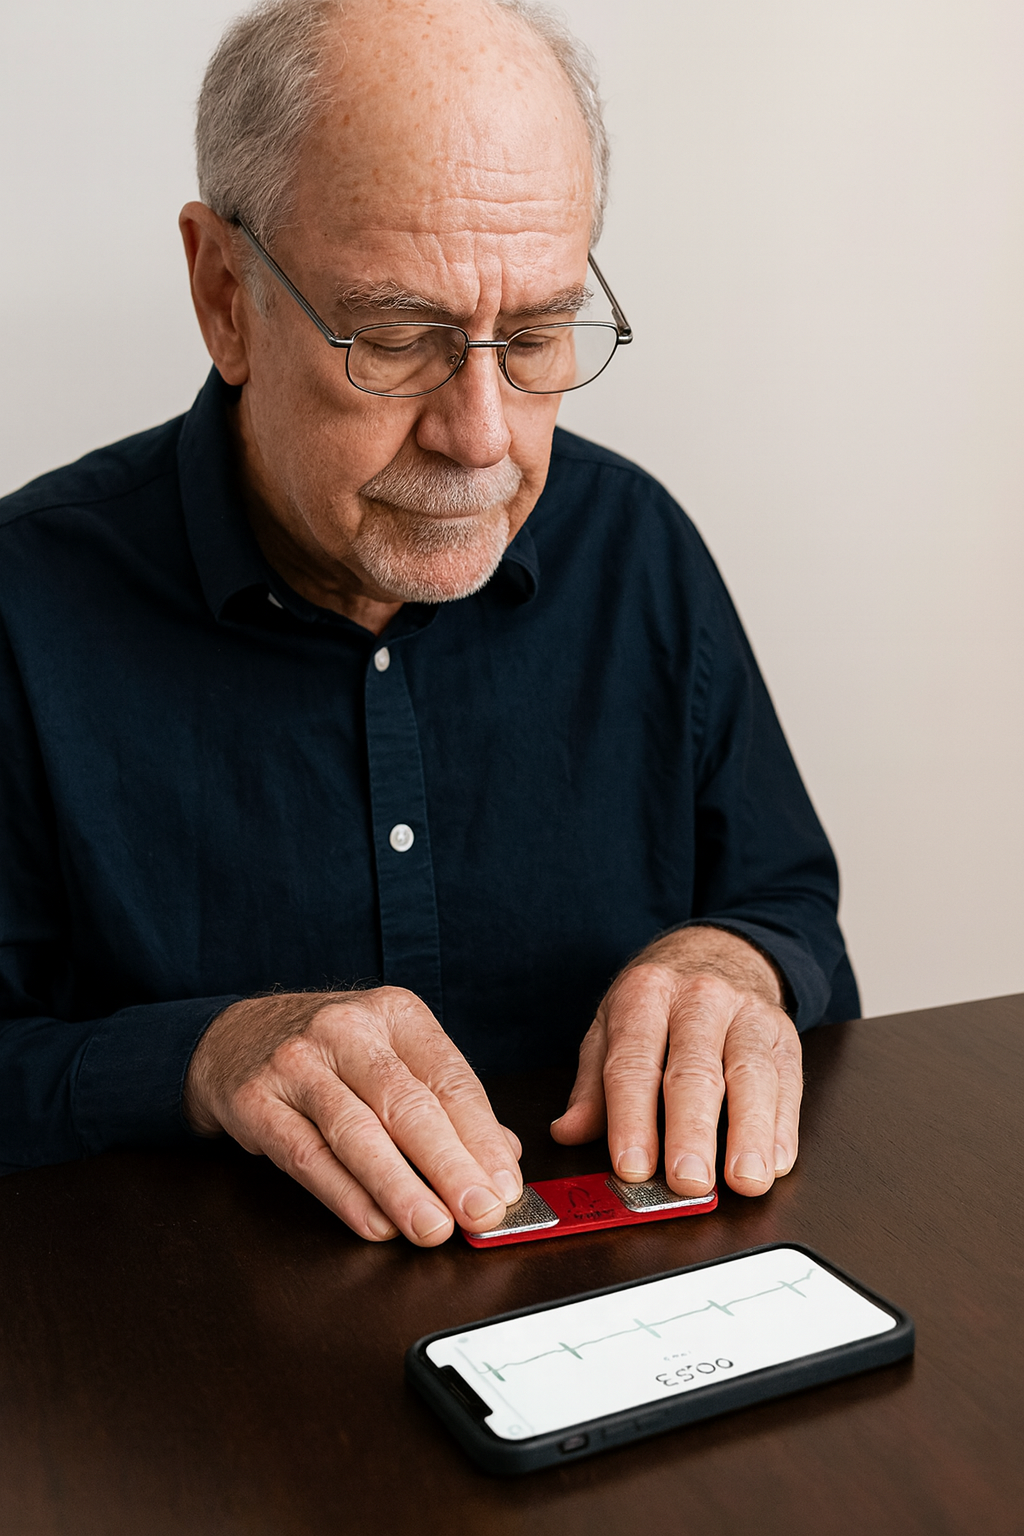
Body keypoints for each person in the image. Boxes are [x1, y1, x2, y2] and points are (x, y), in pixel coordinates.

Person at [0, 0, 857, 1244]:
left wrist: (736, 965)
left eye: (537, 332)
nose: (483, 436)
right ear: (224, 294)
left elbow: (788, 909)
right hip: (195, 1380)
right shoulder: (26, 611)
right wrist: (203, 1056)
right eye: (399, 339)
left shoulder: (638, 551)